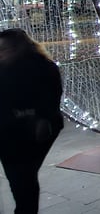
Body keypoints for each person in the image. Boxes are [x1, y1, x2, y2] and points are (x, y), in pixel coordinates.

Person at [0, 28, 64, 213]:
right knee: (22, 177)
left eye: (5, 49)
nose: (2, 54)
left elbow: (50, 100)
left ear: (19, 48)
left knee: (22, 177)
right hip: (11, 129)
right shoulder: (5, 67)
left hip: (30, 131)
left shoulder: (41, 68)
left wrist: (36, 118)